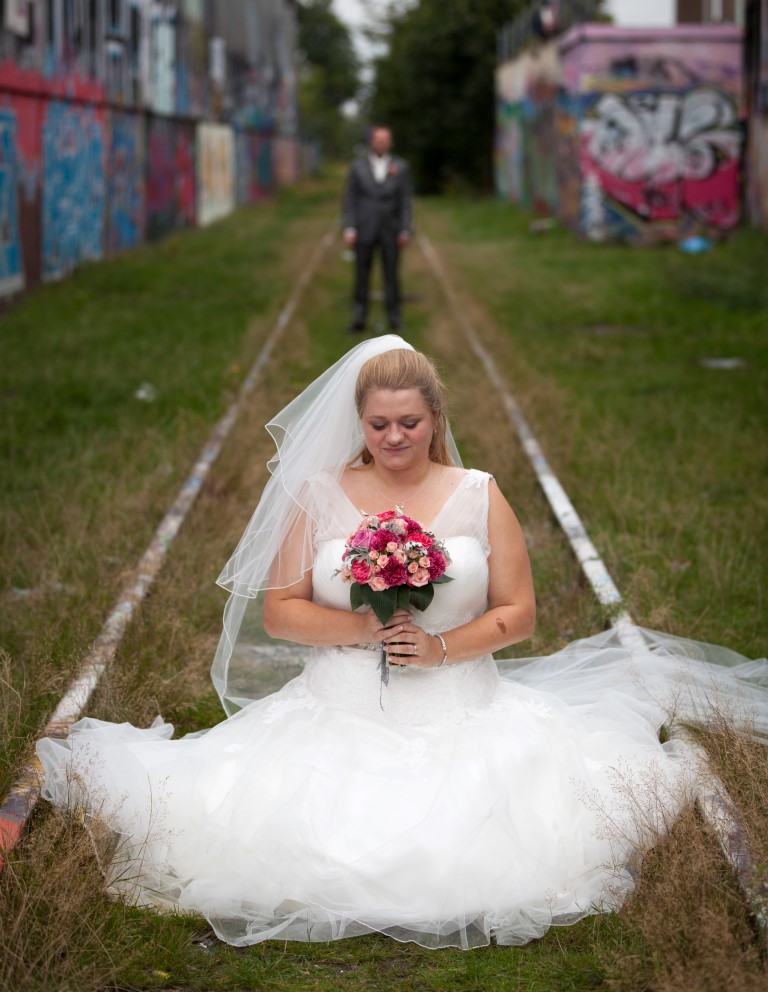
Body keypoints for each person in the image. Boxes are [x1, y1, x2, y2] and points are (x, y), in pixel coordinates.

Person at [37, 336, 768, 950]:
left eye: (410, 423)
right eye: (380, 424)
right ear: (360, 421)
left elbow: (520, 613)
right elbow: (282, 614)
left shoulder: (479, 492)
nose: (394, 439)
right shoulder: (319, 494)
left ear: (434, 417)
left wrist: (442, 648)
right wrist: (363, 627)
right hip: (339, 707)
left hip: (463, 706)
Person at [343, 126, 412, 333]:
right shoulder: (357, 167)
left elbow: (405, 200)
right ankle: (359, 317)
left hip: (391, 229)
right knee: (361, 275)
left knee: (391, 275)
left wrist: (405, 229)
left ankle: (394, 317)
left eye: (386, 139)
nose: (382, 142)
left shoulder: (401, 166)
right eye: (378, 139)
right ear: (371, 142)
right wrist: (349, 227)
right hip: (364, 228)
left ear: (390, 143)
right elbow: (350, 199)